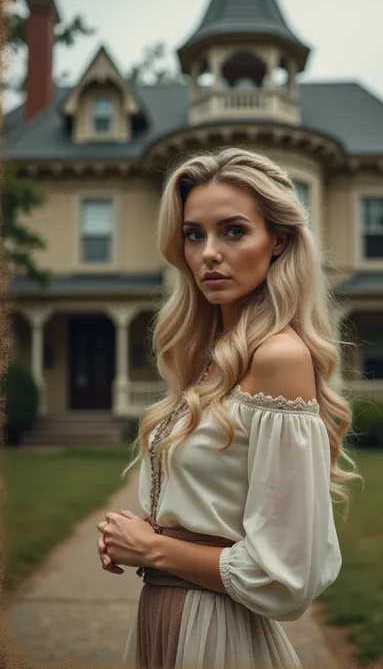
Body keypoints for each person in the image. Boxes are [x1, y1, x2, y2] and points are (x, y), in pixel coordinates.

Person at [96, 148, 360, 669]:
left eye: (233, 231)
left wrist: (151, 549)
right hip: (164, 614)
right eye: (194, 234)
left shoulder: (278, 357)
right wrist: (141, 534)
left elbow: (285, 575)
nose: (208, 253)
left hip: (216, 633)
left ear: (278, 241)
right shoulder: (210, 358)